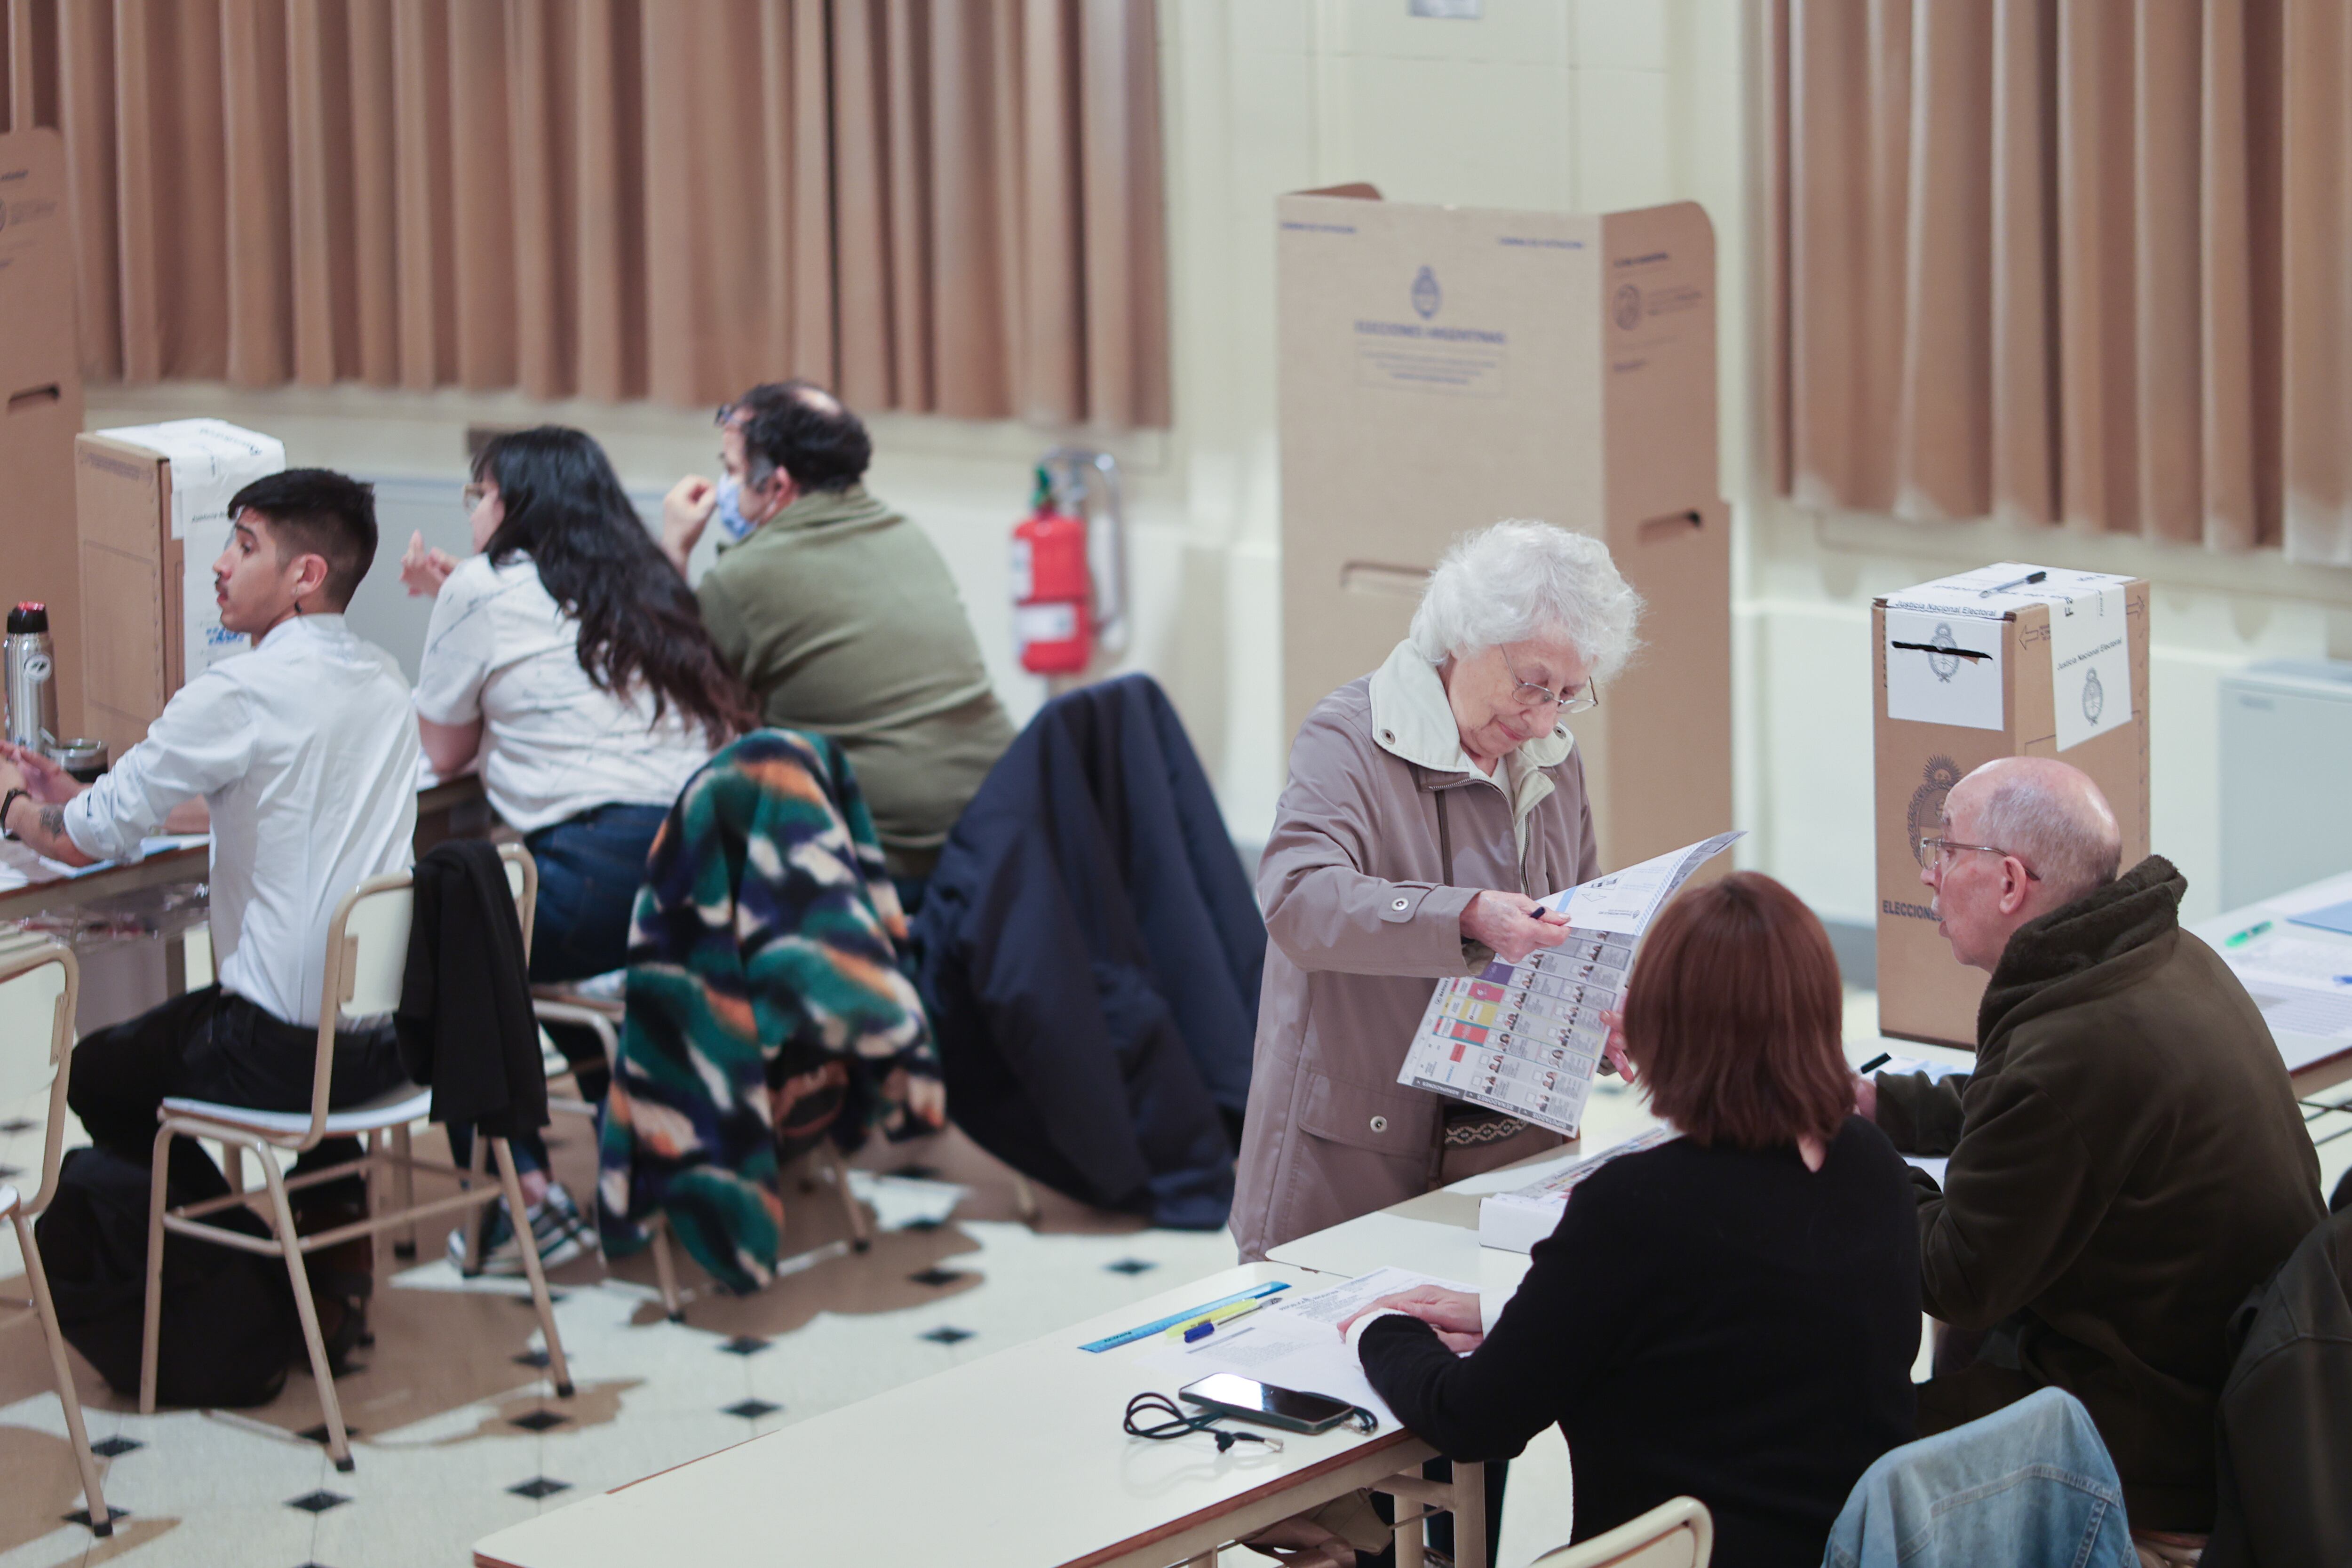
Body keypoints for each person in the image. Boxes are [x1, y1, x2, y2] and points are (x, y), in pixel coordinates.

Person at [1342, 873, 1923, 1568]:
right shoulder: (1874, 1165)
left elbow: (1475, 1419)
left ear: (1662, 1020)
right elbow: (1731, 1329)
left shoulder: (1640, 1205)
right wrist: (1514, 1314)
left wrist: (1383, 1331)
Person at [1857, 756, 2325, 1560]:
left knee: (1846, 1447)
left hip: (2159, 1457)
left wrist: (1853, 1152)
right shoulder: (2160, 960)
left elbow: (1953, 1274)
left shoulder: (2069, 1050)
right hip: (2228, 1395)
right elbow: (2031, 1113)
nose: (1929, 876)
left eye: (1945, 850)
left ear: (2009, 882)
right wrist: (1884, 1105)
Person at [0, 469, 417, 1358]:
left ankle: (255, 1277)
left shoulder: (238, 693)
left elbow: (82, 843)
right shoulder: (384, 682)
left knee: (98, 1071)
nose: (220, 566)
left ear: (305, 574)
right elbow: (257, 794)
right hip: (384, 1045)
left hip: (275, 1052)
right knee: (190, 1045)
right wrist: (85, 794)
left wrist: (17, 805)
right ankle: (327, 1279)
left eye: (245, 544)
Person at [1231, 520, 1642, 1264]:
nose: (1543, 717)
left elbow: (1573, 925)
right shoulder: (1349, 737)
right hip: (1359, 1153)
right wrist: (1467, 916)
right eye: (1531, 685)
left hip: (1512, 1142)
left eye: (1569, 694)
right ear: (1466, 636)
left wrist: (1601, 1013)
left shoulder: (1551, 757)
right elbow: (1298, 899)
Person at [399, 426, 755, 1272]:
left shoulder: (481, 590)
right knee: (542, 958)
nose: (474, 513)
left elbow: (443, 753)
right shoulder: (643, 583)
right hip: (710, 879)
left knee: (460, 938)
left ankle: (521, 1191)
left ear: (510, 505)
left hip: (604, 876)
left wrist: (460, 613)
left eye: (477, 496)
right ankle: (635, 1152)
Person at [659, 382, 1013, 905]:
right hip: (995, 830)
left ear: (777, 485)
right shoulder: (905, 534)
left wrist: (672, 548)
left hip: (885, 859)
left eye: (732, 472)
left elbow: (672, 704)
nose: (723, 489)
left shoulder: (745, 578)